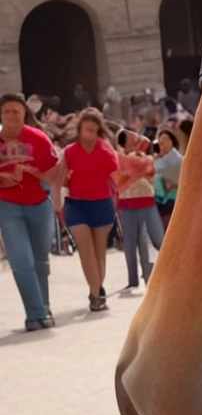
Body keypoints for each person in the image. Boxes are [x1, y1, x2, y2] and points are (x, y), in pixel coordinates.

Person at [0, 91, 58, 331]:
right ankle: (35, 313)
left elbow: (55, 173)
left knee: (40, 260)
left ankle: (44, 306)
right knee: (21, 260)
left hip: (39, 203)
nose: (11, 116)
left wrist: (34, 173)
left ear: (25, 113)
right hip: (7, 205)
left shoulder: (39, 139)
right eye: (6, 112)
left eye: (16, 111)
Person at [56, 109, 119, 311]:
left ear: (99, 131)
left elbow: (117, 177)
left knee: (99, 253)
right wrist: (59, 196)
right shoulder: (70, 151)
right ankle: (96, 293)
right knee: (86, 250)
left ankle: (97, 291)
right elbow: (61, 178)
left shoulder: (106, 150)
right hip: (76, 205)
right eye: (86, 130)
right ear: (79, 130)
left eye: (93, 131)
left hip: (101, 204)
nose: (89, 135)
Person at [114, 130, 165, 292]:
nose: (136, 140)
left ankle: (150, 278)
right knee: (130, 243)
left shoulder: (145, 158)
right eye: (131, 139)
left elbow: (150, 171)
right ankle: (133, 280)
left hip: (147, 202)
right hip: (126, 204)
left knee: (152, 240)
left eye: (135, 137)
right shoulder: (119, 159)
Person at [153, 125, 184, 227]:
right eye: (160, 140)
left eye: (165, 139)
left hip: (172, 198)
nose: (162, 142)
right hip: (160, 199)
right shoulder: (159, 159)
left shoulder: (175, 158)